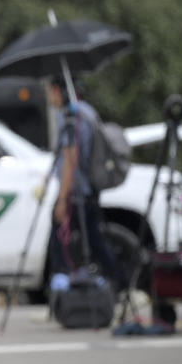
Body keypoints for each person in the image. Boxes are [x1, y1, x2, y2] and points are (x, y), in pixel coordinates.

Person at [45, 76, 127, 291]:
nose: (48, 97)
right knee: (95, 240)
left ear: (57, 90)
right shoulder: (88, 112)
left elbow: (70, 160)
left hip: (75, 191)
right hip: (88, 188)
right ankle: (120, 281)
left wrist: (62, 199)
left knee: (59, 244)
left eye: (49, 91)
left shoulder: (71, 116)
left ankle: (61, 290)